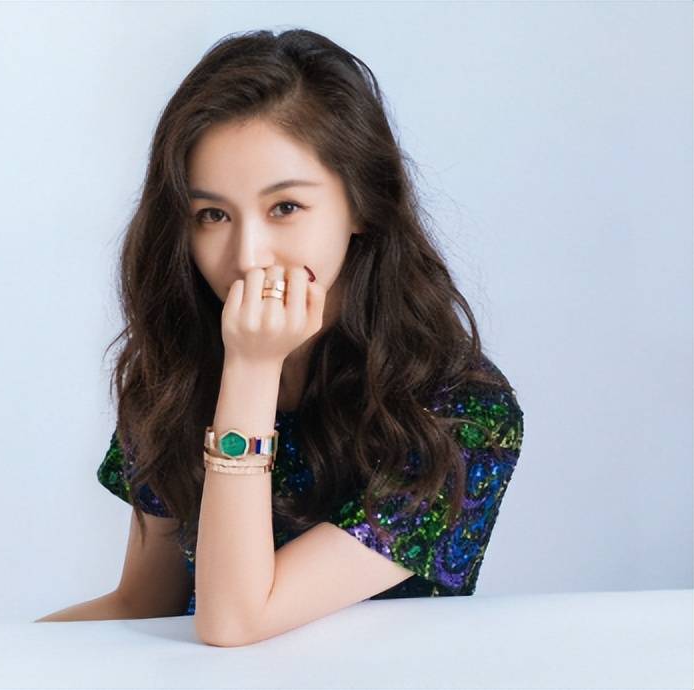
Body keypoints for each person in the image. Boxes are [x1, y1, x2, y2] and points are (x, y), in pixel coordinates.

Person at [37, 28, 524, 643]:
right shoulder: (177, 375)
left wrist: (251, 370)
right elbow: (145, 601)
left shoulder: (462, 412)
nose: (248, 256)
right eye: (213, 215)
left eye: (285, 208)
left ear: (361, 203)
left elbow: (235, 621)